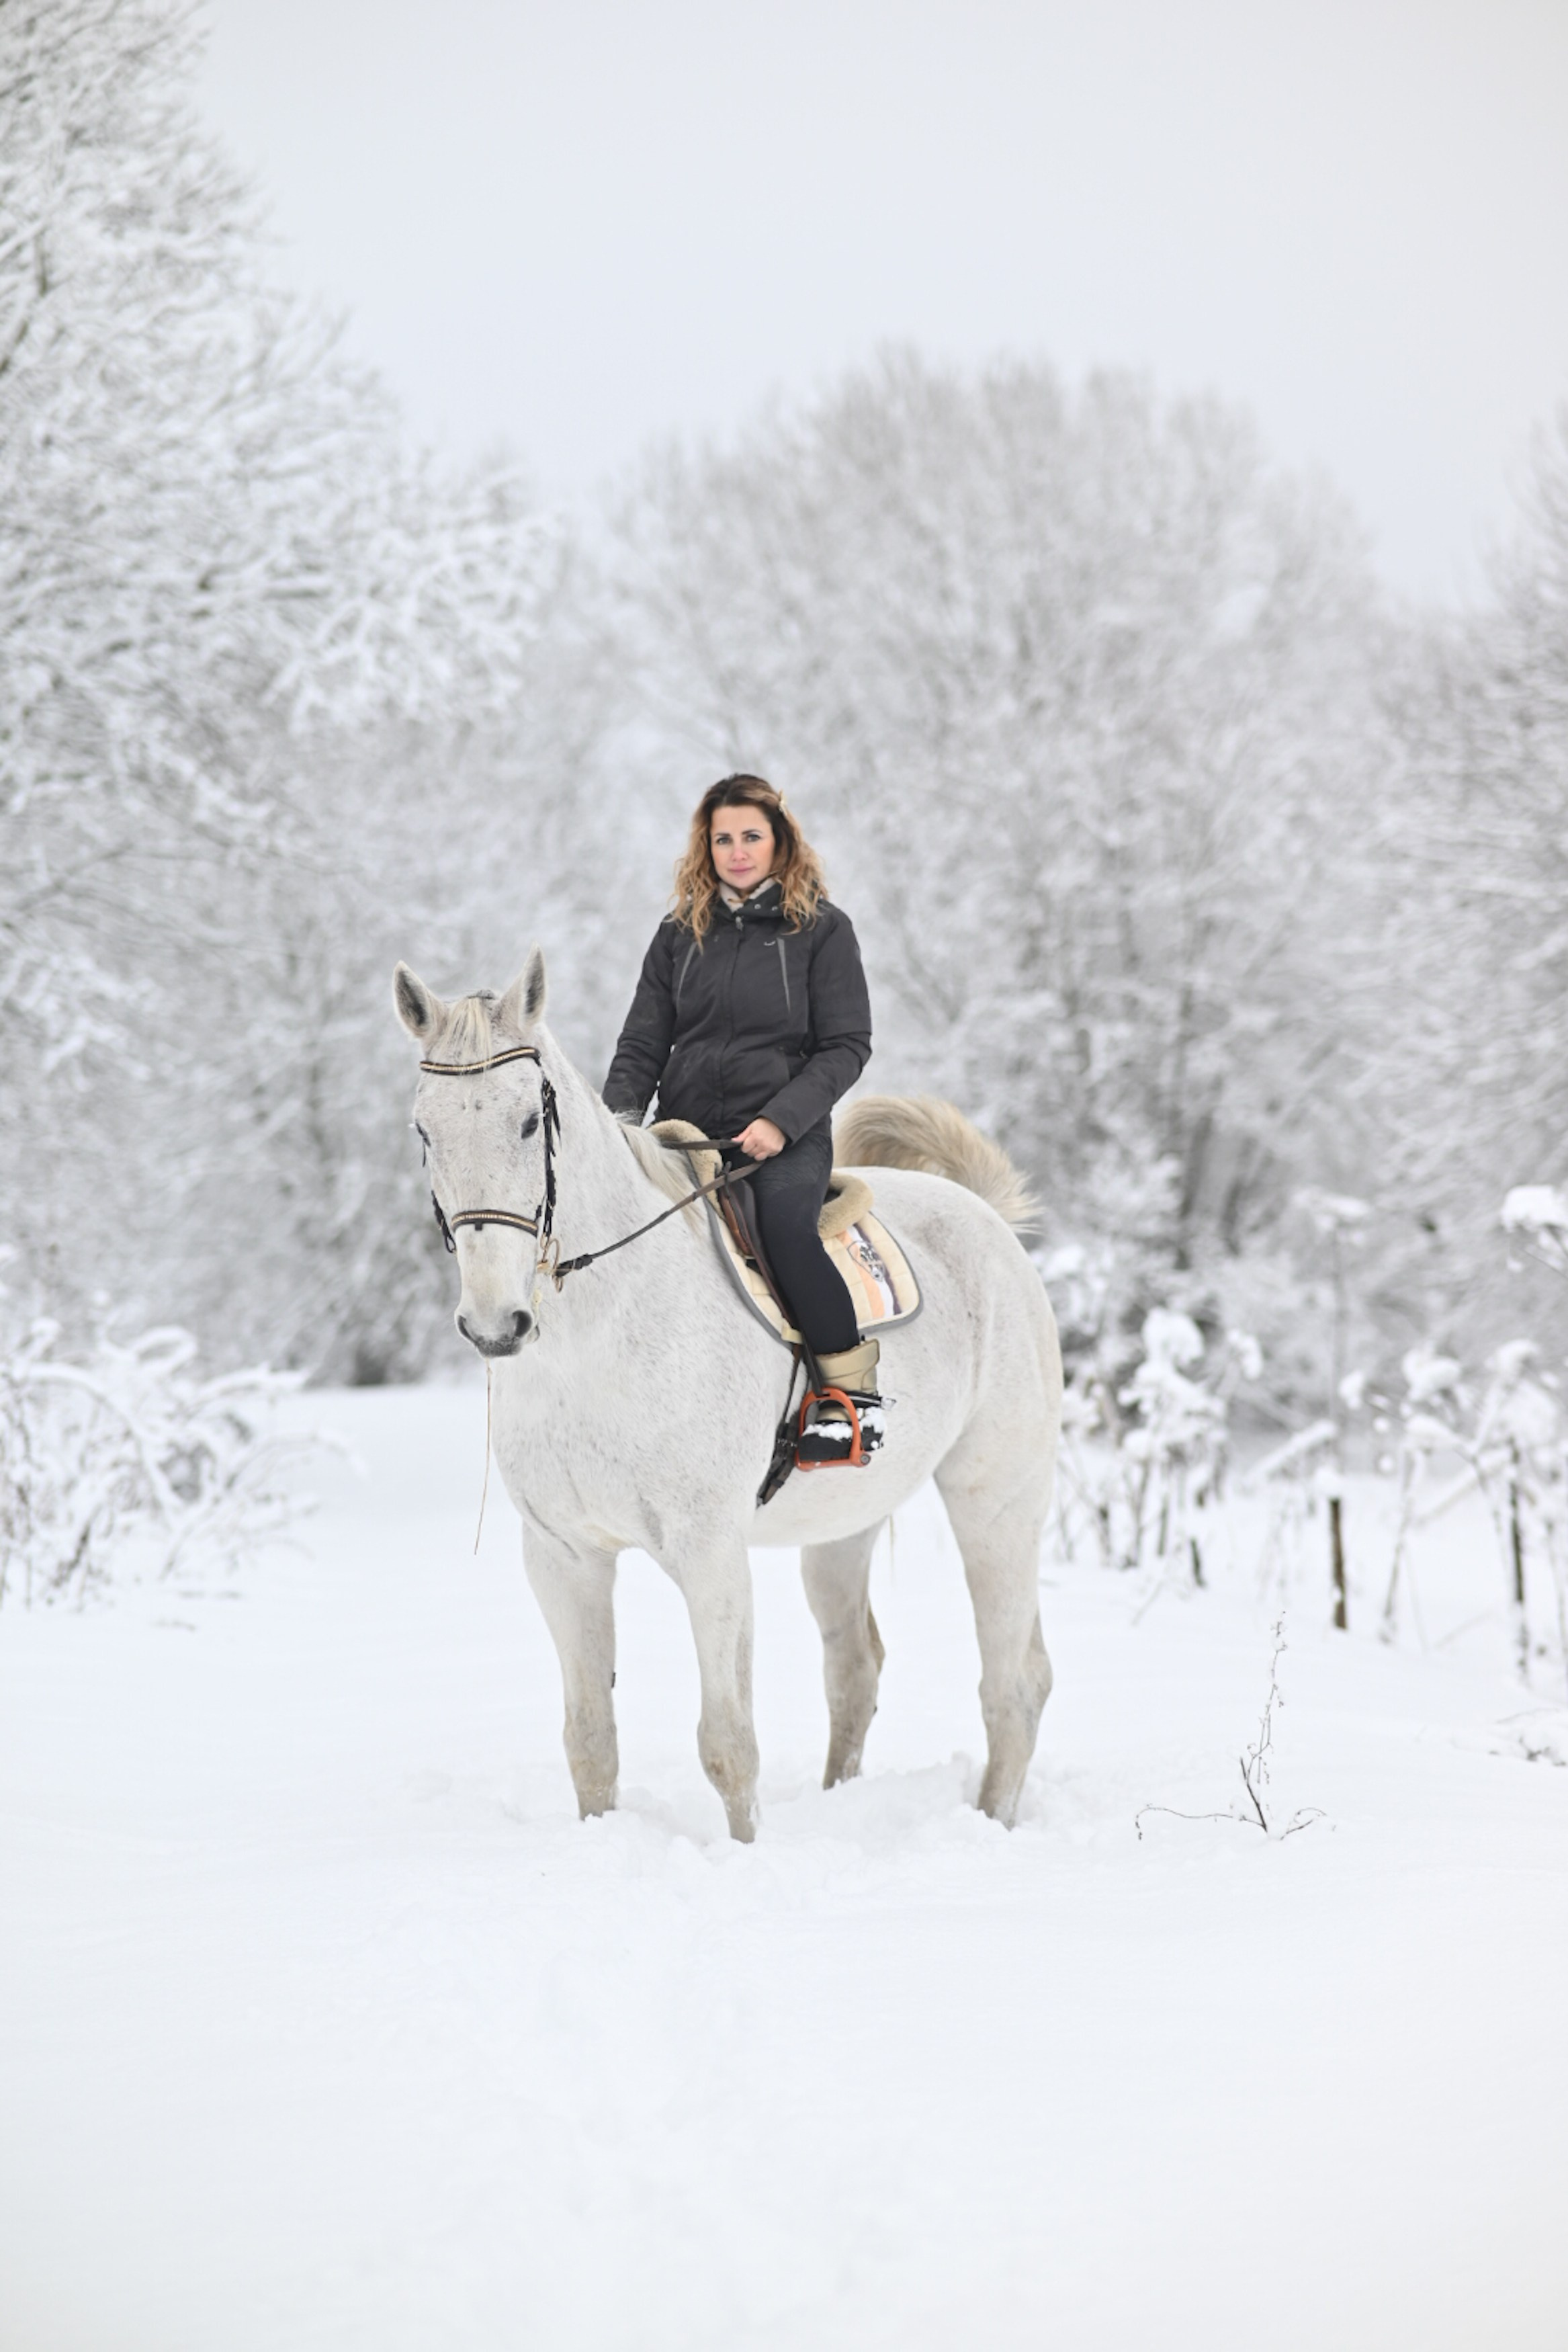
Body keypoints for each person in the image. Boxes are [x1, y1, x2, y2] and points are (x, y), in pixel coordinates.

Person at [603, 775, 885, 1464]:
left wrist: (782, 1121)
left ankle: (848, 1398)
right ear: (707, 845)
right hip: (686, 1131)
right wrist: (619, 1128)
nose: (737, 851)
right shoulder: (678, 935)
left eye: (751, 836)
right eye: (723, 837)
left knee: (786, 1230)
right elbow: (643, 1043)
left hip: (782, 1136)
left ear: (780, 841)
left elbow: (846, 1045)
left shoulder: (822, 929)